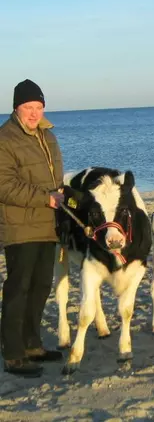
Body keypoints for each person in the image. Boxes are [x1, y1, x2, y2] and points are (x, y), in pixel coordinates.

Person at [0, 79, 65, 377]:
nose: (34, 113)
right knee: (18, 290)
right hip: (19, 227)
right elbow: (5, 186)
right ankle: (13, 355)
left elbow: (56, 181)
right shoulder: (6, 139)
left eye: (38, 107)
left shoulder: (47, 136)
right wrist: (46, 198)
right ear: (16, 108)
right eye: (28, 107)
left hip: (48, 224)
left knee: (41, 287)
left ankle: (32, 345)